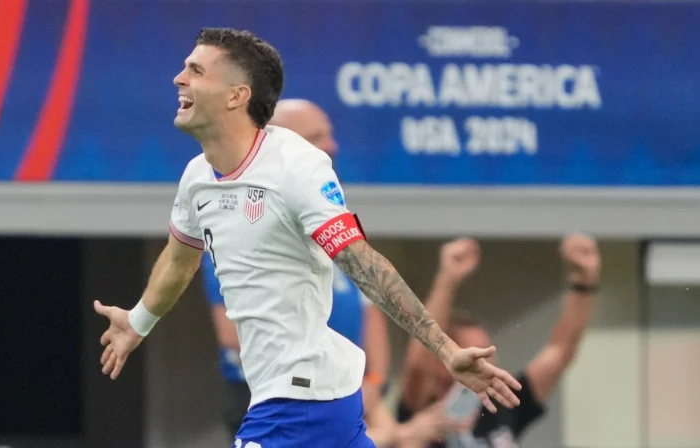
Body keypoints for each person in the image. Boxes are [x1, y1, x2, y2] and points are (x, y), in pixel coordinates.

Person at [93, 28, 522, 448]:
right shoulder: (196, 177)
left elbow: (364, 264)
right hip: (298, 397)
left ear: (237, 95)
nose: (179, 78)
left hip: (300, 397)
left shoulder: (297, 167)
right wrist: (138, 321)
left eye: (196, 70)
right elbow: (179, 259)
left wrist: (446, 350)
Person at [202, 98, 391, 440]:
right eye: (317, 137)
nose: (332, 146)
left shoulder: (331, 214)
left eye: (329, 134)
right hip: (276, 398)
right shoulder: (234, 224)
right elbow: (231, 332)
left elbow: (371, 309)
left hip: (343, 394)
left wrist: (373, 382)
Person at [398, 235, 601, 447]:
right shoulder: (423, 409)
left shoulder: (502, 405)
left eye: (487, 354)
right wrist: (447, 279)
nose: (485, 365)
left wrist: (583, 283)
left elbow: (559, 352)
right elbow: (420, 359)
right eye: (473, 355)